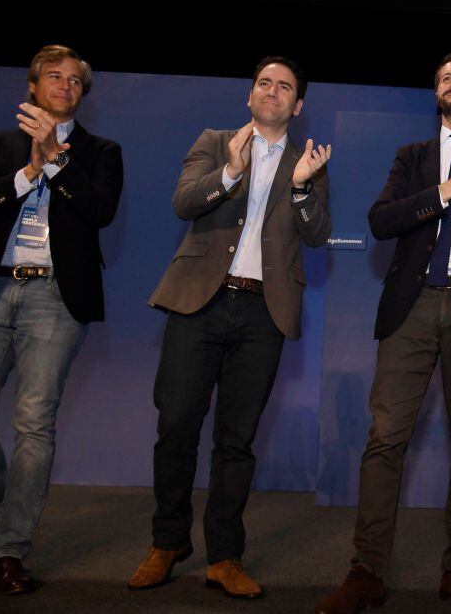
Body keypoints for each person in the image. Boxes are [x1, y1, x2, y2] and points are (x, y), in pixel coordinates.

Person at [316, 52, 451, 614]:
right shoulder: (414, 157)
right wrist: (446, 191)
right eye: (446, 78)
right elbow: (382, 221)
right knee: (385, 441)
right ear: (436, 94)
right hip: (410, 309)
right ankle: (366, 571)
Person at [128, 56, 331, 599]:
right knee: (175, 426)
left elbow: (316, 235)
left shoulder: (307, 159)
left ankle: (224, 555)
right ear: (250, 95)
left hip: (264, 312)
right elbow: (183, 202)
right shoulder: (215, 141)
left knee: (236, 441)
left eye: (285, 86)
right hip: (199, 303)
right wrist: (232, 173)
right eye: (264, 83)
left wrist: (305, 188)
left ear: (298, 104)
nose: (273, 91)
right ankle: (168, 542)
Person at [0, 45, 124, 595]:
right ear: (33, 87)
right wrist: (28, 171)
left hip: (55, 299)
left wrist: (58, 161)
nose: (66, 86)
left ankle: (9, 550)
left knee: (33, 423)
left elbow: (99, 210)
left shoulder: (101, 150)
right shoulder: (0, 143)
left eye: (75, 81)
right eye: (54, 77)